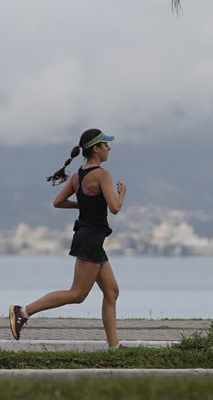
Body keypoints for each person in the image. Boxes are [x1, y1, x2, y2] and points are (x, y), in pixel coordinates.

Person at [9, 128, 127, 347]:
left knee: (111, 291)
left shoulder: (77, 176)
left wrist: (83, 203)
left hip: (89, 236)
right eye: (105, 145)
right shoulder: (103, 174)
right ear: (96, 149)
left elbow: (58, 202)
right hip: (90, 238)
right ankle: (23, 312)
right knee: (77, 294)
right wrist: (122, 193)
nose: (109, 148)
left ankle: (114, 347)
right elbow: (114, 208)